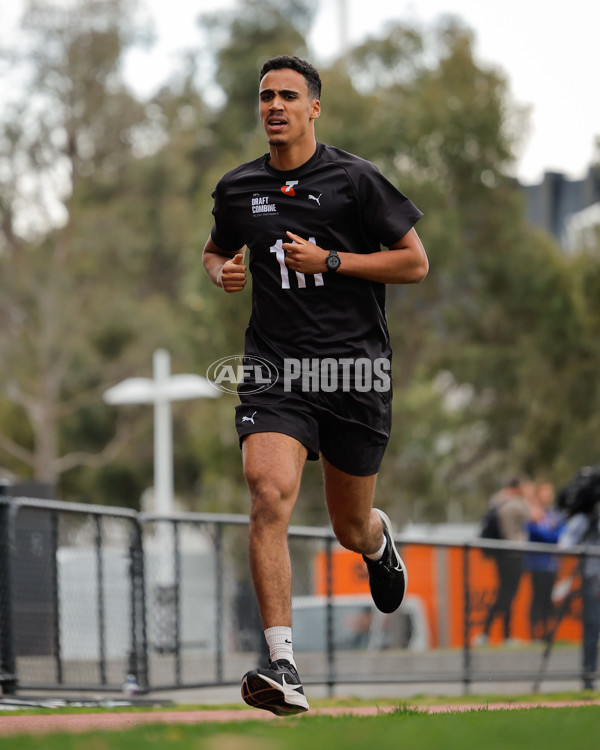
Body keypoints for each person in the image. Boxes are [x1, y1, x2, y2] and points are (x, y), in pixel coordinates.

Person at [203, 55, 428, 715]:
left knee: (347, 525)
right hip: (276, 371)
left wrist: (331, 260)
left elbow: (414, 262)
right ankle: (284, 665)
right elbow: (215, 250)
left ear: (313, 109)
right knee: (268, 496)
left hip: (354, 372)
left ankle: (378, 542)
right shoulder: (237, 189)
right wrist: (222, 275)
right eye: (266, 95)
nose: (274, 106)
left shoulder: (354, 180)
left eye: (288, 96)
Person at [558, 471, 600, 691]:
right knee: (593, 627)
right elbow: (564, 542)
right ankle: (588, 675)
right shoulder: (585, 519)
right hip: (593, 578)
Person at [478, 476, 532, 644]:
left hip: (501, 555)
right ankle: (486, 633)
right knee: (506, 596)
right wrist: (528, 496)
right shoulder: (514, 504)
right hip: (512, 554)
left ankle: (504, 635)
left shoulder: (497, 500)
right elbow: (533, 515)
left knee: (506, 596)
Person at [524, 481, 563, 641]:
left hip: (552, 564)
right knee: (537, 598)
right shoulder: (532, 515)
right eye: (544, 493)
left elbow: (560, 534)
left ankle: (548, 634)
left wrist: (550, 532)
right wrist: (548, 532)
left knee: (549, 599)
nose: (547, 497)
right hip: (537, 564)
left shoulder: (552, 515)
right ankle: (534, 634)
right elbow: (541, 534)